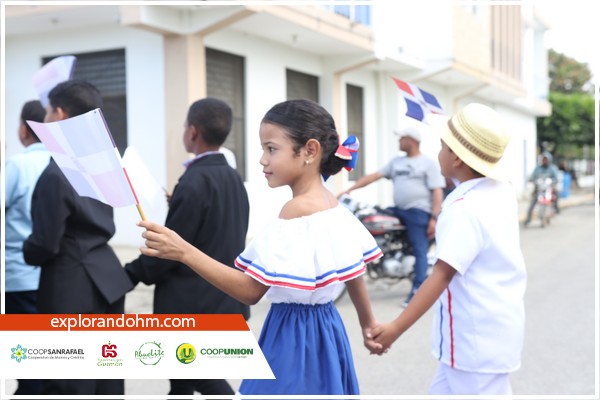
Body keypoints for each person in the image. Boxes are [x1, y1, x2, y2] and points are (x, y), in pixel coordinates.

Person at [136, 99, 383, 395]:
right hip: (327, 330)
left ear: (310, 150)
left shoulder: (295, 211)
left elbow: (251, 291)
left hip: (293, 338)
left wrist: (183, 251)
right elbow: (353, 270)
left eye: (271, 149)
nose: (263, 160)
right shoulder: (331, 203)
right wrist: (368, 322)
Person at [370, 103, 527, 395]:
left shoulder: (463, 208)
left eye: (442, 146)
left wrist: (395, 328)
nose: (438, 153)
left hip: (474, 345)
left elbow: (441, 275)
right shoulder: (500, 189)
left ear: (456, 158)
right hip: (492, 334)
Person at [125, 98, 250, 396]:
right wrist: (179, 202)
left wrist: (129, 274)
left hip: (194, 304)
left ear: (192, 132)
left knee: (198, 376)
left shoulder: (194, 182)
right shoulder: (232, 177)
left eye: (184, 126)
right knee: (181, 383)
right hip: (223, 298)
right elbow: (213, 227)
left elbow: (167, 253)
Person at [23, 79, 133, 396]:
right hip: (107, 280)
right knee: (108, 376)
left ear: (59, 114)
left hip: (69, 284)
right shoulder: (101, 163)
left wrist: (27, 251)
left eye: (47, 112)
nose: (45, 119)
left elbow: (45, 243)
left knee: (69, 382)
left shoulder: (57, 172)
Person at [340, 125, 445, 307]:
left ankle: (417, 290)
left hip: (418, 212)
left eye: (402, 138)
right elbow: (375, 176)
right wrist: (349, 190)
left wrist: (434, 218)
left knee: (419, 249)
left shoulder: (428, 164)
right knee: (372, 218)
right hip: (398, 210)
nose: (399, 141)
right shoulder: (396, 162)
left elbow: (437, 191)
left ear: (412, 141)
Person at [4, 100, 49, 396]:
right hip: (54, 277)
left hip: (18, 277)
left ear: (24, 129)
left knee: (25, 360)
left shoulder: (17, 165)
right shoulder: (63, 165)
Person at [524, 151, 559, 226]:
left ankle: (556, 208)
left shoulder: (552, 169)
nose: (545, 161)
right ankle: (528, 219)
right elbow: (532, 177)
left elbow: (556, 178)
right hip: (539, 189)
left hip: (549, 189)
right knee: (532, 203)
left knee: (556, 195)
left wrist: (551, 181)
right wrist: (532, 180)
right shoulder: (538, 168)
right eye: (544, 159)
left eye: (546, 159)